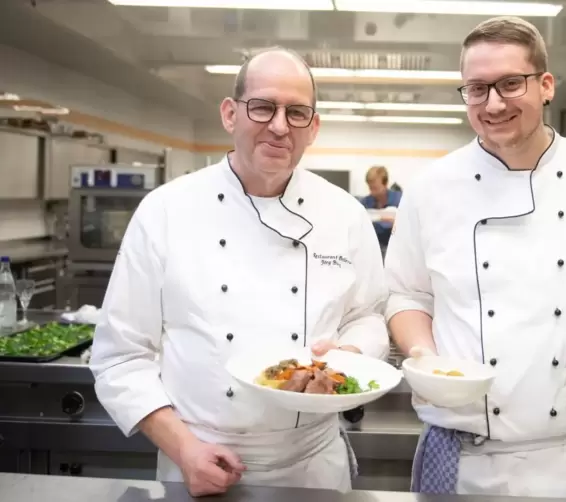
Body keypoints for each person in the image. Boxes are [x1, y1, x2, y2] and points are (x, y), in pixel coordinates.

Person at [89, 47, 389, 497]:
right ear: (230, 114)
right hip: (198, 459)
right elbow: (120, 355)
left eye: (297, 112)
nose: (280, 126)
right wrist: (185, 449)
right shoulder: (166, 210)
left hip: (312, 465)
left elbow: (368, 314)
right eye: (263, 107)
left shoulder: (345, 214)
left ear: (314, 126)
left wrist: (350, 350)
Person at [385, 16, 566, 501]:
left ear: (546, 85)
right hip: (461, 456)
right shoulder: (430, 189)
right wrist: (424, 356)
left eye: (511, 83)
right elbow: (406, 294)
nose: (493, 103)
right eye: (476, 89)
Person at [360, 165, 402, 255]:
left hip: (395, 248)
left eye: (375, 188)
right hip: (373, 249)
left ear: (385, 184)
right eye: (370, 188)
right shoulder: (366, 202)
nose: (372, 192)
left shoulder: (400, 200)